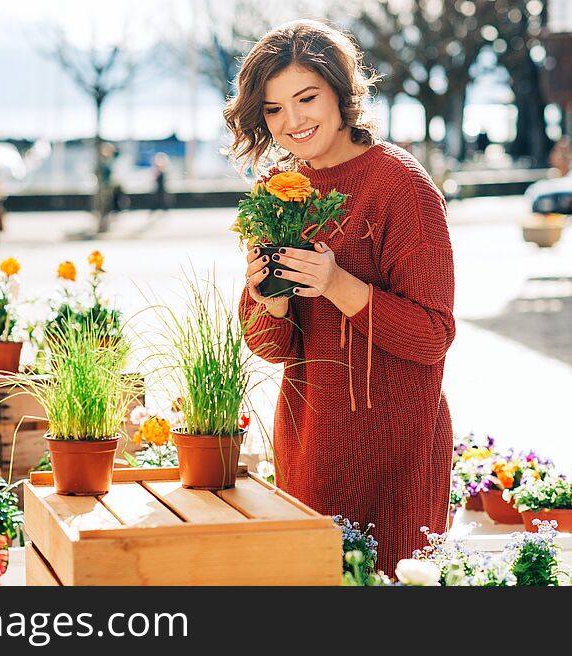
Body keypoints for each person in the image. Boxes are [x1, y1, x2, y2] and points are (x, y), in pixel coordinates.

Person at [224, 19, 455, 577]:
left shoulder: (400, 185)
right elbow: (268, 347)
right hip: (308, 443)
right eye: (274, 110)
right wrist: (269, 299)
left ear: (341, 93)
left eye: (307, 99)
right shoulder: (277, 190)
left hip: (396, 451)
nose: (293, 122)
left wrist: (334, 283)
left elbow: (433, 336)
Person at [151, 151, 171, 216]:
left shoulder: (162, 168)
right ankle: (157, 209)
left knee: (161, 198)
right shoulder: (159, 168)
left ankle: (162, 209)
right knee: (159, 198)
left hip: (161, 187)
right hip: (159, 186)